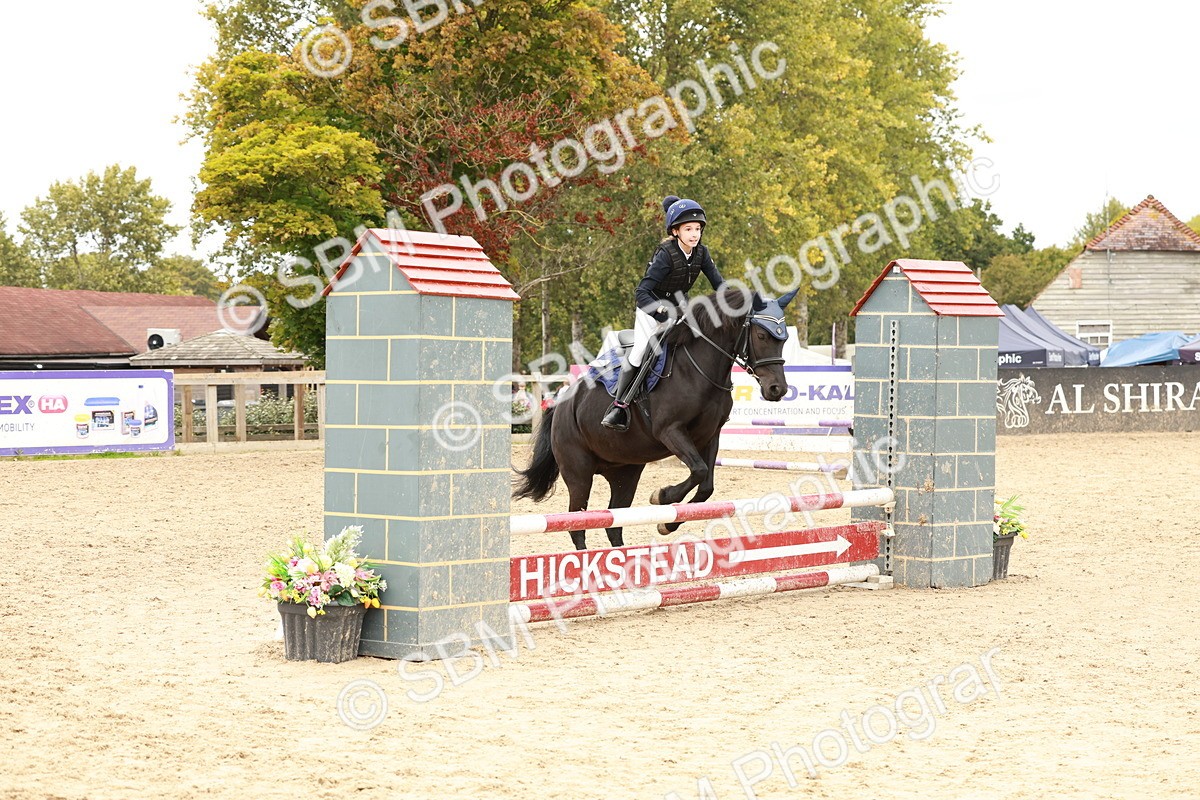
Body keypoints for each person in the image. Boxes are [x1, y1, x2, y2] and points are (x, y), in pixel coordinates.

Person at [601, 195, 726, 431]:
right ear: (675, 231)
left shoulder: (702, 253)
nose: (694, 234)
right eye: (688, 229)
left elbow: (719, 284)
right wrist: (660, 312)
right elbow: (642, 292)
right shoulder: (665, 255)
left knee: (701, 341)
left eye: (697, 229)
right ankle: (619, 406)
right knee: (640, 351)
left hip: (679, 308)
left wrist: (737, 299)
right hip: (651, 308)